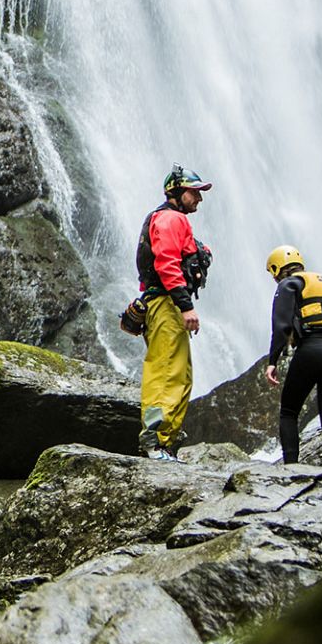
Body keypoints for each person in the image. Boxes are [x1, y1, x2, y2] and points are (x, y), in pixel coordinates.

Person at [133, 165, 214, 460]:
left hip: (166, 303)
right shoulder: (170, 218)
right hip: (166, 304)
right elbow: (167, 263)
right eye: (195, 192)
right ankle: (154, 441)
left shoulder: (171, 218)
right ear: (177, 191)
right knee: (166, 371)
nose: (199, 199)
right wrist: (185, 305)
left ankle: (164, 442)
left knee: (180, 373)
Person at [263, 246, 322, 477]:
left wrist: (272, 361)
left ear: (277, 269)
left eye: (273, 273)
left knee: (288, 412)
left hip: (311, 349)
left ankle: (292, 470)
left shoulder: (288, 285)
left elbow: (282, 326)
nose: (275, 278)